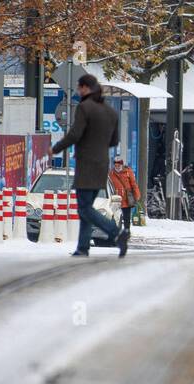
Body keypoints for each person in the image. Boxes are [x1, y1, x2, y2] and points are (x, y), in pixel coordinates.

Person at [52, 74, 129, 257]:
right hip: (102, 164)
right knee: (87, 206)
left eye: (79, 88)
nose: (78, 92)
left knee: (84, 208)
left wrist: (55, 149)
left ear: (86, 88)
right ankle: (83, 247)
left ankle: (116, 233)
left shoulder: (84, 108)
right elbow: (114, 141)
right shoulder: (110, 112)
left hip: (86, 165)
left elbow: (74, 135)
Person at [109, 156, 140, 233]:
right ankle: (116, 231)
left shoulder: (128, 172)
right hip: (115, 199)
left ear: (122, 164)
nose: (117, 167)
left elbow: (133, 184)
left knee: (126, 217)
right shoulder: (111, 173)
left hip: (126, 198)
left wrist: (137, 196)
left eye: (118, 165)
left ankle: (127, 231)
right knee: (116, 217)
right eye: (115, 165)